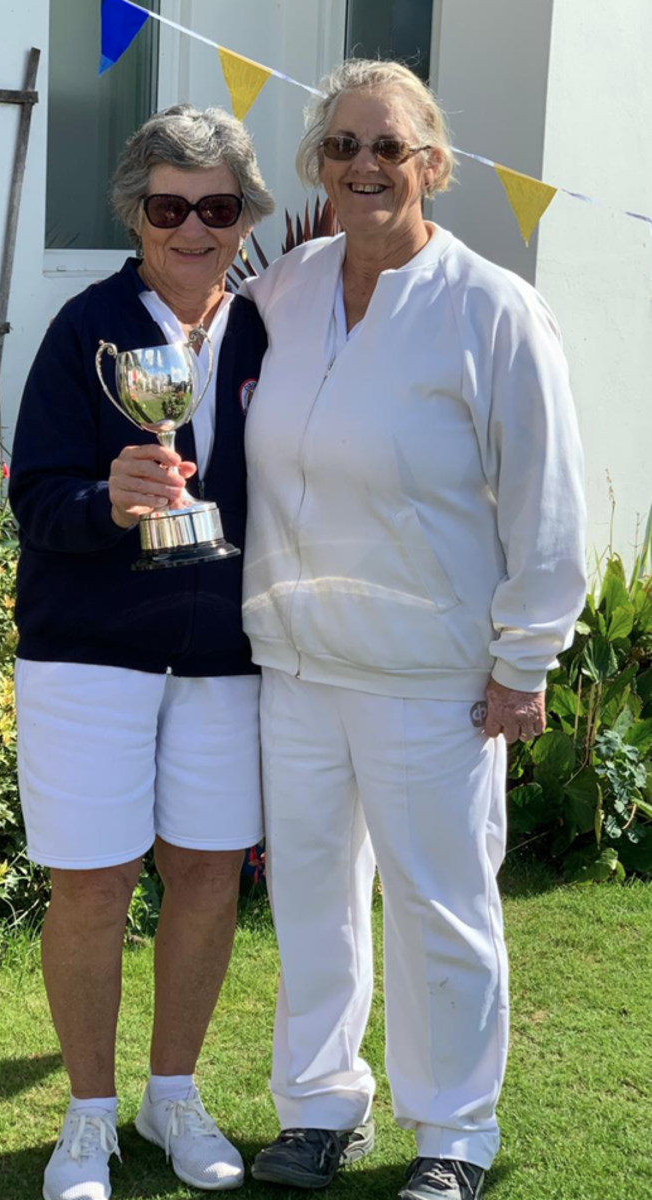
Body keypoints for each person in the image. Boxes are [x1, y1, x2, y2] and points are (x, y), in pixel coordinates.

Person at [240, 59, 587, 1200]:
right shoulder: (285, 289)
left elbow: (546, 503)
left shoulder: (491, 307)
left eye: (387, 146)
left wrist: (523, 660)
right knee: (311, 900)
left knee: (441, 906)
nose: (363, 166)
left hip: (429, 676)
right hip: (295, 665)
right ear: (317, 165)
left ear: (431, 164)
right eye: (342, 146)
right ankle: (318, 1108)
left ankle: (454, 1133)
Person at [9, 104, 274, 1200]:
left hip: (225, 654)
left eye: (217, 208)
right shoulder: (87, 329)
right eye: (169, 208)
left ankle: (173, 1096)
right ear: (135, 214)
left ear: (244, 217)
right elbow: (33, 496)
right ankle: (88, 1116)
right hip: (89, 654)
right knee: (92, 884)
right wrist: (104, 501)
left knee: (207, 874)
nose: (193, 229)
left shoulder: (270, 327)